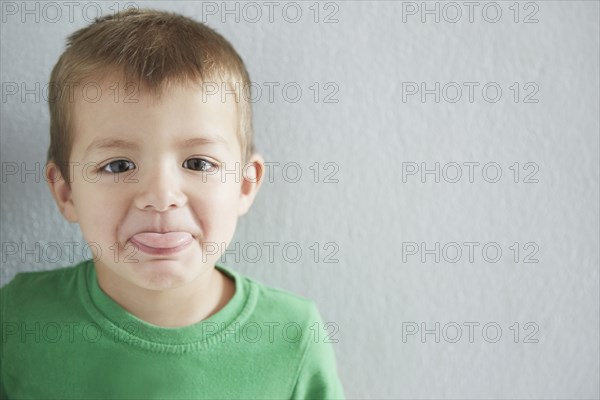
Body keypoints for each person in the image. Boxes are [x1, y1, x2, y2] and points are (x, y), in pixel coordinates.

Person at [0, 8, 344, 399]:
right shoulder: (17, 320)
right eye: (118, 165)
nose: (161, 197)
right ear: (66, 192)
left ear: (245, 186)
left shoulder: (293, 335)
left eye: (198, 163)